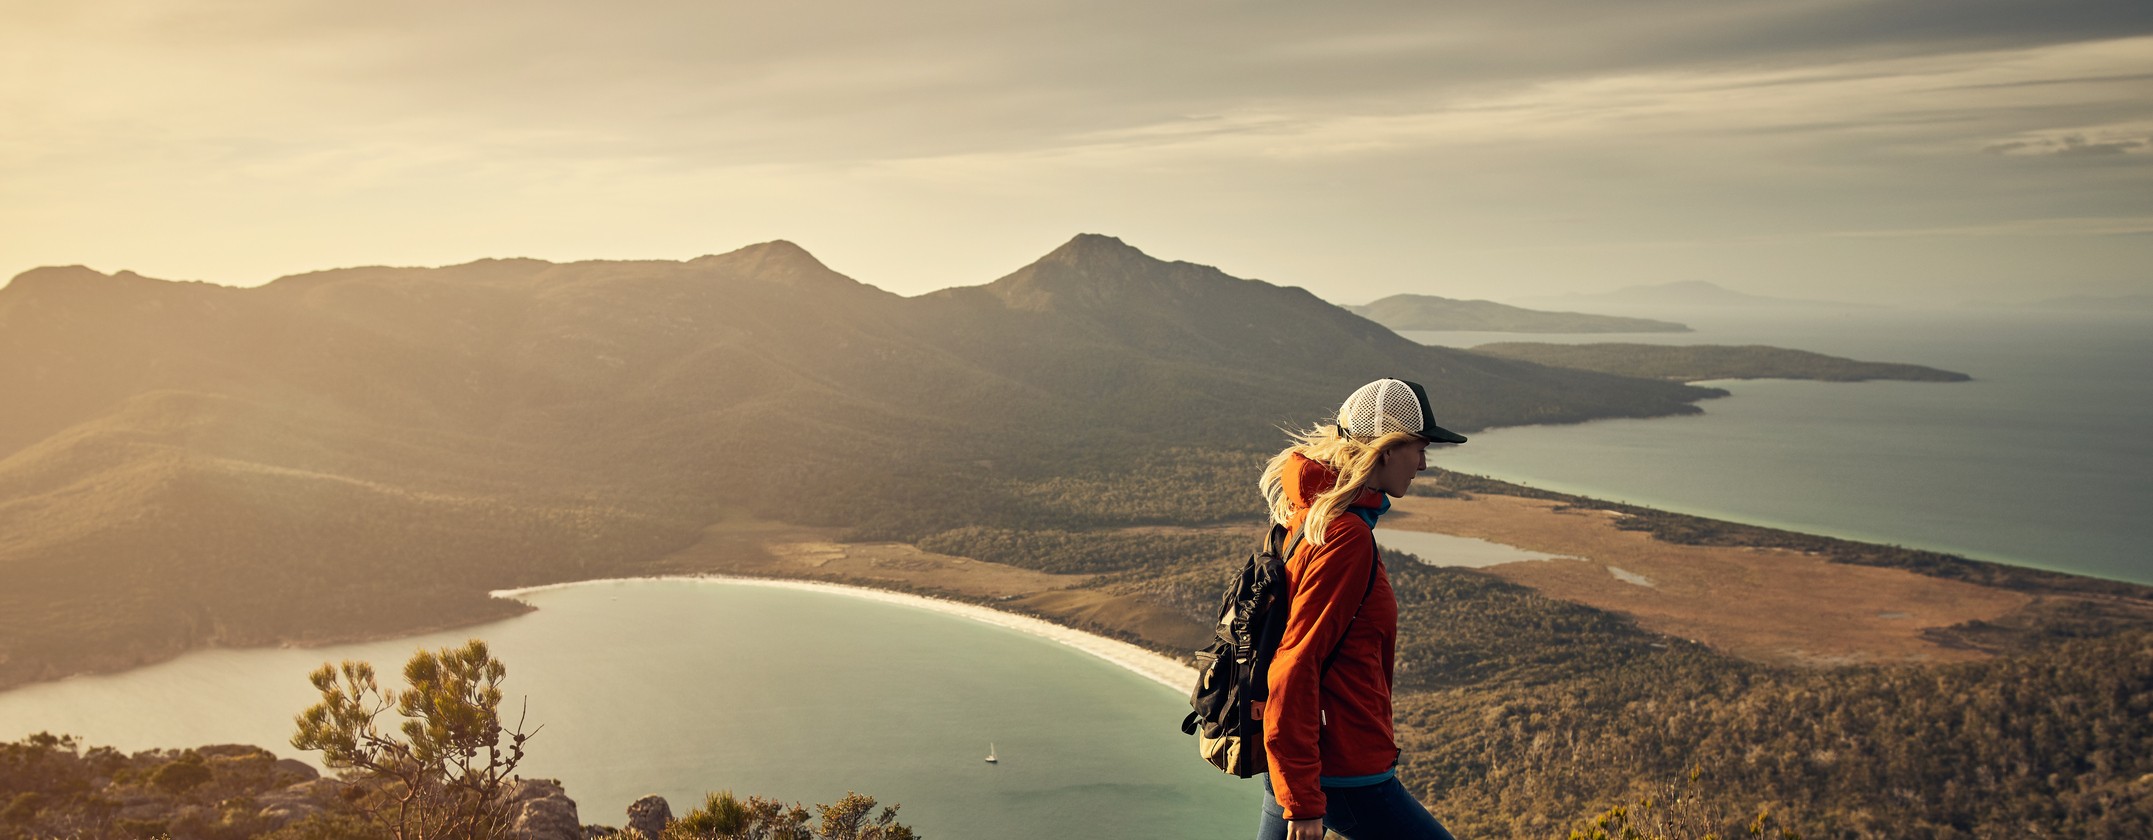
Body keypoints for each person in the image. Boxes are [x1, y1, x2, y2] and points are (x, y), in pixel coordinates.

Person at [1256, 378, 1465, 840]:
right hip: (1342, 770)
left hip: (1300, 760)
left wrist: (1296, 788)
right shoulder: (1347, 537)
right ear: (1387, 449)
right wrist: (1306, 802)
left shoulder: (1309, 516)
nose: (1424, 464)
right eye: (1419, 448)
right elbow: (1295, 664)